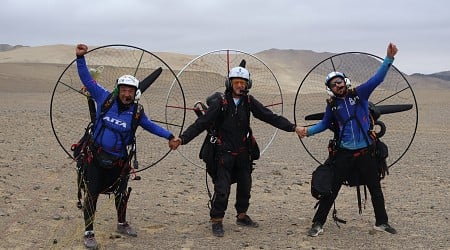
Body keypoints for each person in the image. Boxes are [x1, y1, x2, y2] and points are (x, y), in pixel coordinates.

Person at [171, 65, 303, 237]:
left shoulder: (249, 102)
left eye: (243, 83)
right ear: (229, 83)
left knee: (245, 186)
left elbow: (269, 116)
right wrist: (182, 139)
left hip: (243, 152)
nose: (240, 86)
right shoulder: (220, 103)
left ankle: (241, 215)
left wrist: (292, 128)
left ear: (248, 85)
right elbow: (201, 123)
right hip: (222, 153)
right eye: (237, 82)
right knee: (222, 189)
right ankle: (216, 220)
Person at [75, 44, 180, 249]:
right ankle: (89, 232)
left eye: (130, 91)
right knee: (92, 193)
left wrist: (169, 135)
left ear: (135, 93)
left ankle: (121, 223)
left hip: (120, 160)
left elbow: (150, 126)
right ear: (117, 89)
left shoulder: (137, 112)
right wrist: (80, 58)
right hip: (95, 157)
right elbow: (87, 79)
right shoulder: (104, 99)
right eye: (123, 89)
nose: (126, 94)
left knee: (121, 193)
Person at [297, 43, 399, 237]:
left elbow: (377, 79)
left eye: (340, 81)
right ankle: (318, 223)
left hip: (366, 152)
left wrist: (389, 59)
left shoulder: (360, 94)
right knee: (331, 188)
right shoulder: (332, 107)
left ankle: (382, 222)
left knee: (375, 188)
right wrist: (307, 131)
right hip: (343, 153)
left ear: (346, 81)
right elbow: (324, 124)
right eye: (334, 84)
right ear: (330, 89)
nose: (338, 85)